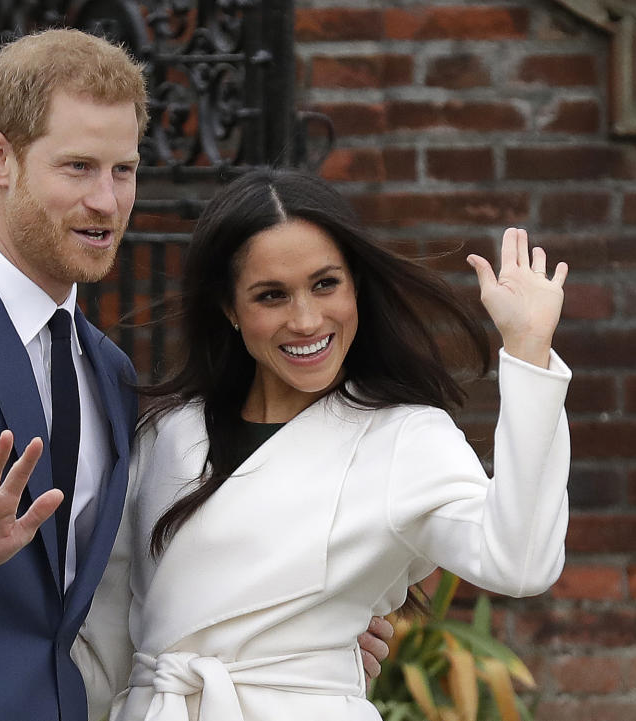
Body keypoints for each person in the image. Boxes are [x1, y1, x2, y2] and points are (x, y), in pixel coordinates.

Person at [0, 31, 392, 721]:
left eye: (122, 170)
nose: (107, 201)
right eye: (78, 168)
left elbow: (131, 581)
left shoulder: (111, 373)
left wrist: (286, 634)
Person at [72, 168, 572, 721]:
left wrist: (528, 350)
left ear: (356, 284)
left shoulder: (405, 438)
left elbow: (521, 561)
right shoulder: (165, 434)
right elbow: (104, 633)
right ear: (230, 308)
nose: (307, 319)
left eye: (325, 284)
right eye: (271, 296)